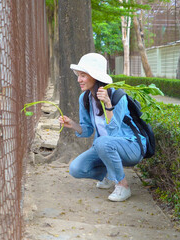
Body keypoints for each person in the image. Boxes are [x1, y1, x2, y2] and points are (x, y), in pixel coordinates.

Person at [58, 53, 146, 202]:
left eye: (83, 75)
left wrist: (108, 105)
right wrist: (72, 124)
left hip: (131, 147)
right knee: (76, 168)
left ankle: (123, 186)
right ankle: (108, 175)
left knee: (102, 142)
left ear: (95, 76)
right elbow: (88, 130)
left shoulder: (118, 96)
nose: (79, 80)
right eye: (78, 75)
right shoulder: (84, 98)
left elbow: (114, 132)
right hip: (105, 146)